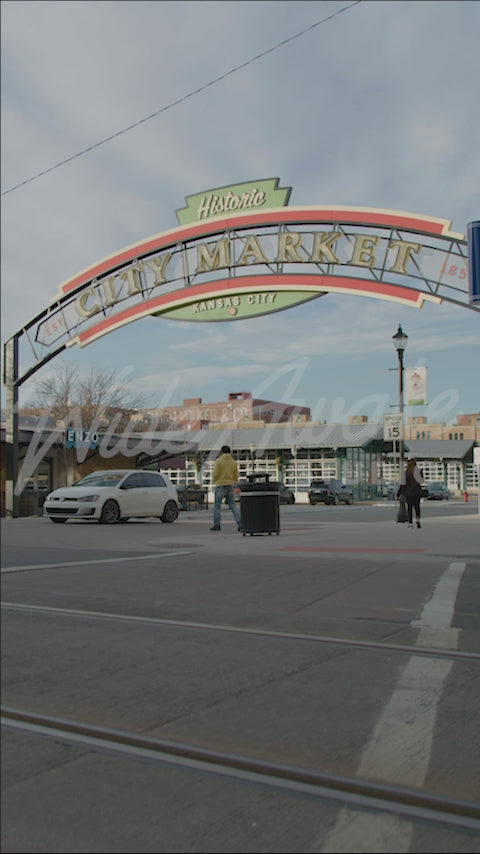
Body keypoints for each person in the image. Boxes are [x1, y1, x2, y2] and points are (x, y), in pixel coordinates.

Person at [210, 445, 242, 532]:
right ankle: (240, 523)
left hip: (220, 485)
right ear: (230, 452)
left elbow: (215, 474)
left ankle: (217, 524)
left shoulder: (219, 461)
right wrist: (232, 480)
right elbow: (236, 475)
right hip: (229, 485)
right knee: (232, 505)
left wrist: (215, 480)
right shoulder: (233, 462)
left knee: (217, 505)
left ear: (221, 452)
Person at [397, 458, 423, 528]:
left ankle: (410, 523)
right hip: (417, 493)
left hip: (409, 493)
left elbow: (402, 484)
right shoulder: (418, 472)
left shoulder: (406, 473)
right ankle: (418, 520)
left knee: (410, 508)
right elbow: (421, 481)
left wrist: (398, 493)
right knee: (417, 507)